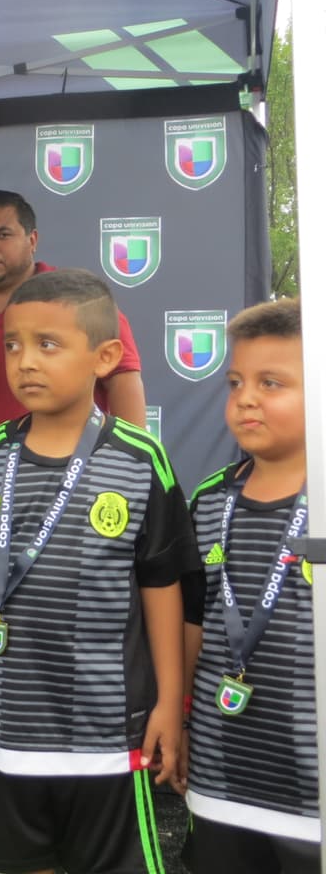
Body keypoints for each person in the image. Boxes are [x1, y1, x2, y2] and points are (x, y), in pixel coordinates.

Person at [0, 269, 195, 874]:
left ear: (105, 357)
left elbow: (163, 586)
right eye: (13, 344)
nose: (25, 361)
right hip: (5, 730)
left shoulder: (139, 460)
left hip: (108, 735)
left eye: (48, 345)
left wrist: (170, 702)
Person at [179, 298, 318, 873]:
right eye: (237, 382)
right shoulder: (210, 500)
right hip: (223, 773)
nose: (247, 399)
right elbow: (193, 620)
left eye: (272, 382)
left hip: (313, 786)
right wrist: (182, 716)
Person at [0, 189, 145, 474]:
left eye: (2, 235)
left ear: (32, 240)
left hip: (72, 477)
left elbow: (123, 381)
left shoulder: (80, 302)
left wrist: (132, 462)